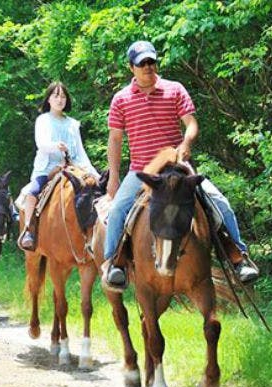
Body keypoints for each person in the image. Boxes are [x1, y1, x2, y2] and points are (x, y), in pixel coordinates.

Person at [101, 40, 259, 292]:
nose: (148, 67)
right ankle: (113, 264)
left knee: (219, 203)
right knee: (119, 208)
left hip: (177, 167)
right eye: (142, 63)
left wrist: (186, 141)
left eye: (151, 61)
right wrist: (113, 177)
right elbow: (115, 139)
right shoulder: (121, 99)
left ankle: (238, 258)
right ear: (131, 67)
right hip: (143, 170)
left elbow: (191, 123)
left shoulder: (174, 89)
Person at [18, 81, 100, 250]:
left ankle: (94, 236)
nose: (60, 99)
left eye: (63, 96)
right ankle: (28, 229)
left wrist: (93, 173)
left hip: (72, 167)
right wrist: (56, 146)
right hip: (47, 169)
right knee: (32, 191)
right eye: (56, 95)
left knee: (94, 190)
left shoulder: (73, 124)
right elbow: (41, 144)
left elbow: (80, 152)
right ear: (48, 99)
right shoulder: (43, 120)